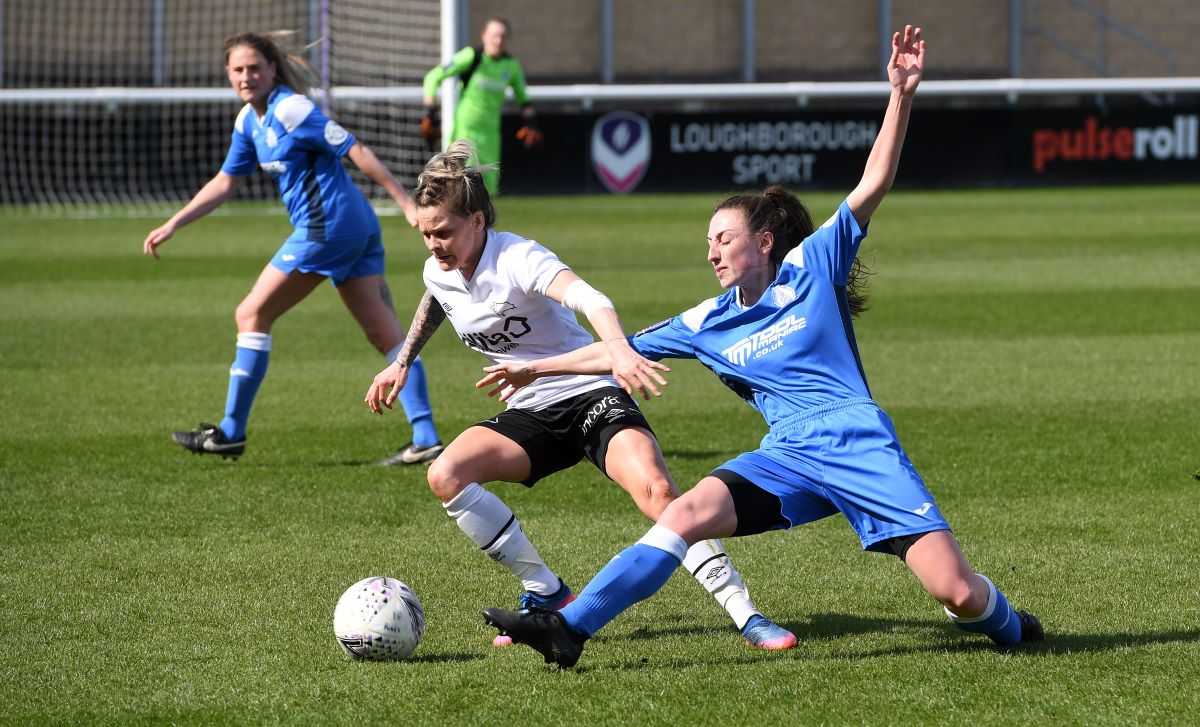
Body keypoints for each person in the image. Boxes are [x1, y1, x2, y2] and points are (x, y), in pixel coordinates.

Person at [480, 26, 1045, 668]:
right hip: (789, 456)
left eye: (724, 238)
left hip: (857, 442)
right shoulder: (708, 320)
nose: (712, 250)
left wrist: (901, 95)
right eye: (708, 242)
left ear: (765, 242)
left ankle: (1013, 625)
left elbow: (874, 181)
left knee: (959, 593)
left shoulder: (814, 266)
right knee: (684, 512)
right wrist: (536, 368)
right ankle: (570, 627)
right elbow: (620, 349)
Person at [364, 140, 795, 650]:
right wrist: (402, 360)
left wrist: (619, 351)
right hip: (530, 409)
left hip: (590, 392)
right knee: (446, 474)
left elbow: (593, 299)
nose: (434, 245)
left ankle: (746, 615)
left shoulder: (518, 257)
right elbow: (438, 297)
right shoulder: (438, 268)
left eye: (444, 232)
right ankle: (546, 593)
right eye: (427, 234)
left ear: (478, 221)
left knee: (658, 493)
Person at [143, 31, 443, 465]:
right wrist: (175, 223)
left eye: (254, 68)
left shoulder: (291, 108)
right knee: (386, 334)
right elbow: (227, 180)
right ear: (228, 75)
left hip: (330, 228)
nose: (246, 77)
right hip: (354, 228)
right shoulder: (250, 119)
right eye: (238, 70)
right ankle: (426, 438)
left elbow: (354, 147)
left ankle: (230, 431)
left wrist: (405, 202)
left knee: (251, 313)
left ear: (271, 70)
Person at [420, 16, 542, 196]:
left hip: (491, 134)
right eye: (494, 35)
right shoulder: (471, 56)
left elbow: (524, 99)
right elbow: (432, 77)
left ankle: (483, 224)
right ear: (484, 36)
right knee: (461, 185)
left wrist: (532, 124)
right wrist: (430, 114)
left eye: (502, 36)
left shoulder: (511, 66)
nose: (498, 40)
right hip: (465, 131)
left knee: (488, 189)